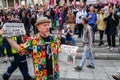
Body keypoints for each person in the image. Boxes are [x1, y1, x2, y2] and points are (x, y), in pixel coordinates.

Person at [2, 13, 33, 80]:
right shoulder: (9, 34)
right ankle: (6, 75)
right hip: (14, 54)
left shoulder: (20, 33)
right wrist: (10, 55)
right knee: (14, 66)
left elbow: (24, 42)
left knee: (24, 65)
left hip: (21, 52)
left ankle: (26, 77)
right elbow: (7, 45)